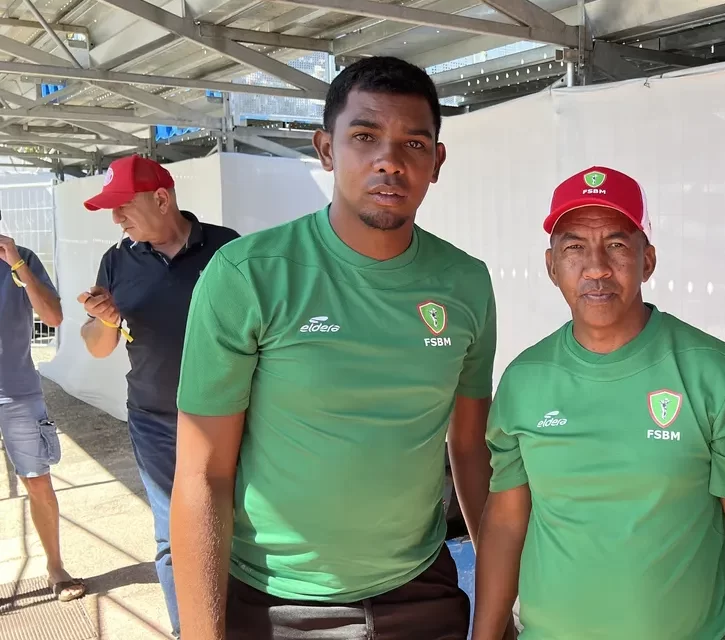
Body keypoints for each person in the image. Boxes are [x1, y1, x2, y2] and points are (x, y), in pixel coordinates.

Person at [170, 56, 497, 640]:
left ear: (437, 162)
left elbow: (469, 447)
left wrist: (497, 596)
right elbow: (202, 472)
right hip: (275, 602)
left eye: (414, 143)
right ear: (326, 149)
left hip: (423, 591)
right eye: (364, 137)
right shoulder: (249, 275)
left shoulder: (466, 283)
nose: (390, 162)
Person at [472, 166, 725, 640]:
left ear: (648, 260)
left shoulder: (717, 373)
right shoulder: (525, 380)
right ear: (551, 266)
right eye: (574, 248)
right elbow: (506, 520)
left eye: (617, 245)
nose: (597, 267)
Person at [77, 155, 241, 638]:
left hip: (231, 416)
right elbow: (98, 345)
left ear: (162, 199)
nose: (116, 218)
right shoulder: (117, 260)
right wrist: (104, 319)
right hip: (155, 421)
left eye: (122, 206)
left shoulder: (227, 248)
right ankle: (190, 630)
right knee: (175, 539)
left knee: (239, 530)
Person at [0, 222, 83, 602]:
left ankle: (55, 566)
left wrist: (16, 264)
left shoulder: (22, 261)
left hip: (17, 393)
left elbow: (53, 318)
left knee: (38, 482)